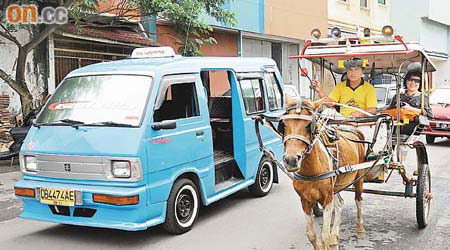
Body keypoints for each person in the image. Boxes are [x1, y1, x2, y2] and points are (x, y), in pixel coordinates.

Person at [310, 57, 378, 118]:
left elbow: (372, 110)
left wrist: (360, 114)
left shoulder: (369, 88)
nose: (353, 73)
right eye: (350, 70)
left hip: (362, 122)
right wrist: (320, 90)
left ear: (362, 72)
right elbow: (330, 104)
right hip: (342, 121)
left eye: (356, 70)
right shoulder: (340, 86)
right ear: (347, 72)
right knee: (327, 112)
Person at [387, 70, 433, 135]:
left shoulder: (423, 98)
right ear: (406, 81)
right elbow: (389, 112)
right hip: (395, 131)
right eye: (410, 80)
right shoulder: (398, 96)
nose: (413, 83)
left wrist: (410, 108)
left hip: (414, 132)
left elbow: (429, 115)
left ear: (420, 84)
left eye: (417, 81)